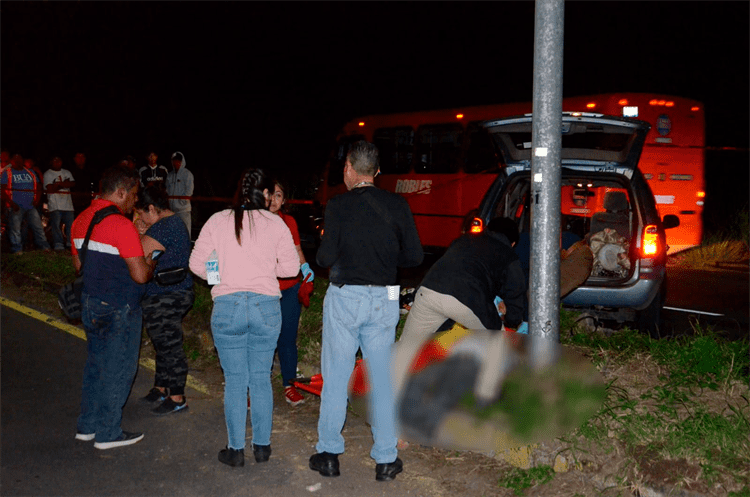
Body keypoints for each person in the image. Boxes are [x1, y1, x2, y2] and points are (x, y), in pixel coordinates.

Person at [310, 140, 423, 482]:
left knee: (336, 377)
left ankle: (329, 454)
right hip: (385, 296)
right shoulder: (397, 204)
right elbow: (415, 257)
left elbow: (324, 259)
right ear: (377, 172)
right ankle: (386, 459)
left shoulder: (338, 205)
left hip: (346, 296)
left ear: (348, 169)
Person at [189, 168, 298, 468]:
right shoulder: (276, 224)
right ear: (265, 194)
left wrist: (222, 275)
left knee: (235, 381)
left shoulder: (217, 220)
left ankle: (235, 450)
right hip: (265, 307)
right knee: (261, 378)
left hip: (227, 306)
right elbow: (290, 269)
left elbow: (196, 263)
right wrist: (261, 270)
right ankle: (262, 447)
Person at [392, 217, 526, 405]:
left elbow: (455, 270)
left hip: (429, 291)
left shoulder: (464, 240)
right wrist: (512, 321)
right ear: (512, 243)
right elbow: (516, 292)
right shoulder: (508, 254)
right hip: (467, 299)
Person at [71, 164, 155, 450]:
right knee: (119, 368)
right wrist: (151, 258)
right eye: (132, 194)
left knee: (95, 365)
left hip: (91, 303)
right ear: (120, 192)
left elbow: (79, 265)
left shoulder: (81, 219)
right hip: (120, 307)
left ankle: (87, 425)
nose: (135, 201)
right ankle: (108, 432)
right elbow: (141, 275)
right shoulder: (121, 225)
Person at [134, 186, 194, 415]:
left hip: (168, 294)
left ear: (152, 208)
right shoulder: (171, 223)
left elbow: (138, 254)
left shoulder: (164, 227)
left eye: (142, 214)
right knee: (163, 343)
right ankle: (161, 387)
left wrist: (140, 232)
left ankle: (177, 396)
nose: (140, 218)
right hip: (171, 291)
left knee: (169, 345)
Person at [268, 179, 314, 406]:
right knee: (263, 340)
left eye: (279, 195)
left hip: (289, 289)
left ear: (284, 200)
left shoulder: (289, 222)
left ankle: (289, 385)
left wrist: (305, 269)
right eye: (271, 194)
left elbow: (297, 249)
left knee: (287, 338)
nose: (274, 200)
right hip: (264, 290)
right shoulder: (255, 222)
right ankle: (255, 387)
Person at [1, 154, 50, 253]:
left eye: (19, 159)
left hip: (31, 205)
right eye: (15, 160)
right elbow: (3, 189)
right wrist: (11, 203)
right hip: (16, 206)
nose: (17, 162)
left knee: (38, 227)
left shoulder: (30, 172)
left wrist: (37, 200)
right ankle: (17, 249)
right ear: (12, 162)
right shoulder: (8, 172)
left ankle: (44, 247)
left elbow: (39, 186)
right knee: (16, 229)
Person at [44, 156, 76, 251]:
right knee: (56, 225)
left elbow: (72, 183)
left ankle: (70, 243)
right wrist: (64, 184)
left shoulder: (66, 172)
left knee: (71, 225)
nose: (57, 163)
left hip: (68, 204)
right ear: (51, 162)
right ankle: (58, 244)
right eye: (55, 161)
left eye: (59, 161)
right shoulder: (48, 174)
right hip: (55, 204)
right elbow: (50, 189)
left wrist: (58, 184)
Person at [166, 151, 194, 237]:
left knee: (185, 231)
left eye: (178, 160)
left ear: (182, 161)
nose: (176, 163)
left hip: (183, 210)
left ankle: (187, 249)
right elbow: (167, 190)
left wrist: (182, 202)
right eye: (174, 160)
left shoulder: (187, 174)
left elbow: (189, 190)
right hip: (172, 210)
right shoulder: (170, 175)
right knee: (174, 233)